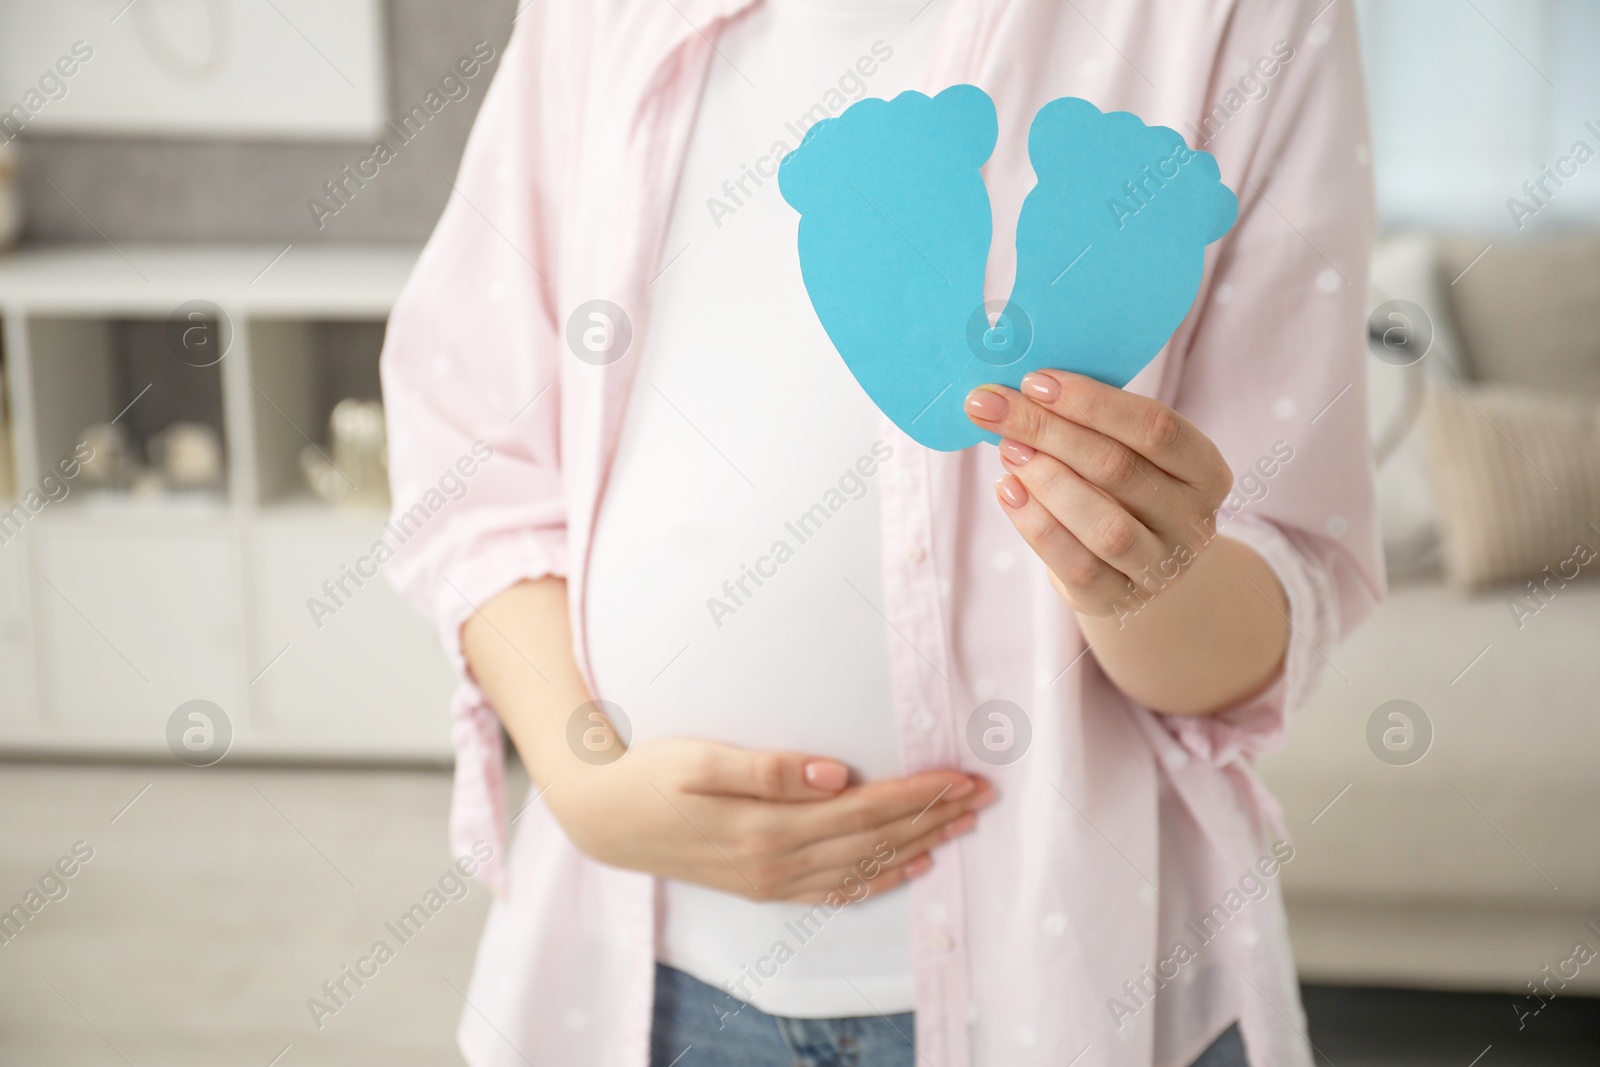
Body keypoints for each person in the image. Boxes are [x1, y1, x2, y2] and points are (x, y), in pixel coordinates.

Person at [380, 1, 1381, 1064]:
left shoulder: (1238, 18)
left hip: (1070, 991)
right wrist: (580, 776)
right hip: (647, 973)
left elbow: (1273, 593)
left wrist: (1141, 571)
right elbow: (476, 464)